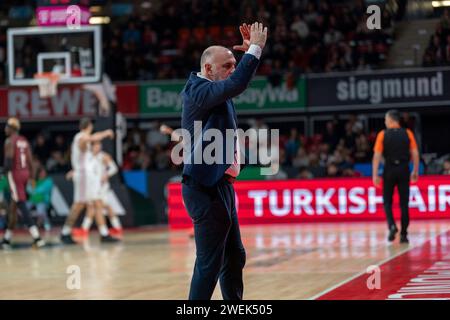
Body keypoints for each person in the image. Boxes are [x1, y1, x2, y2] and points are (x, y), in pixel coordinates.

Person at [180, 22, 267, 300]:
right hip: (204, 188)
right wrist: (255, 48)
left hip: (221, 186)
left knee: (233, 257)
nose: (232, 70)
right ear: (208, 69)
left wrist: (244, 59)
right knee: (209, 264)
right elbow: (237, 82)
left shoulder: (215, 88)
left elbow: (234, 82)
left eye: (233, 64)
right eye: (227, 65)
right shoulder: (197, 91)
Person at [60, 117, 118, 244]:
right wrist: (106, 133)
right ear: (89, 126)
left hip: (88, 177)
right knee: (79, 205)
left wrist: (74, 170)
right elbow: (91, 138)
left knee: (97, 203)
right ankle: (65, 232)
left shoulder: (85, 142)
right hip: (84, 177)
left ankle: (104, 233)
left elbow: (85, 158)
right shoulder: (80, 137)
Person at [372, 110, 420, 244]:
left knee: (387, 202)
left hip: (389, 169)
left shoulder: (383, 134)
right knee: (404, 204)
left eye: (386, 120)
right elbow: (415, 154)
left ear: (392, 120)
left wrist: (375, 174)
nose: (385, 122)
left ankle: (392, 226)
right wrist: (415, 171)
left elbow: (376, 156)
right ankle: (404, 234)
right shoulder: (408, 133)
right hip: (404, 169)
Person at [1, 117, 45, 249]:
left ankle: (37, 237)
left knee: (21, 203)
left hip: (14, 174)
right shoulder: (23, 141)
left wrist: (3, 173)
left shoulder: (10, 141)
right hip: (25, 173)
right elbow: (30, 160)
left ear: (11, 128)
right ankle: (7, 239)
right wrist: (31, 177)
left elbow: (8, 161)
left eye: (7, 126)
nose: (5, 129)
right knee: (14, 206)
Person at [77, 141, 122, 237]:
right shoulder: (88, 157)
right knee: (94, 206)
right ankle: (85, 229)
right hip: (92, 186)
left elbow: (114, 168)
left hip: (101, 187)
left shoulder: (104, 156)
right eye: (96, 145)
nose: (98, 147)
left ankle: (114, 228)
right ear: (91, 147)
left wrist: (106, 175)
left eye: (99, 145)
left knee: (102, 206)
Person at [26, 167, 53, 231]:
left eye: (44, 172)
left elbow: (41, 190)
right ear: (38, 173)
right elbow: (29, 190)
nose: (43, 174)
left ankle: (46, 223)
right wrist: (29, 184)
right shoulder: (35, 181)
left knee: (41, 212)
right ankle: (31, 224)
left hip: (42, 200)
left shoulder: (49, 181)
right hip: (32, 200)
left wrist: (33, 189)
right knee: (23, 210)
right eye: (41, 172)